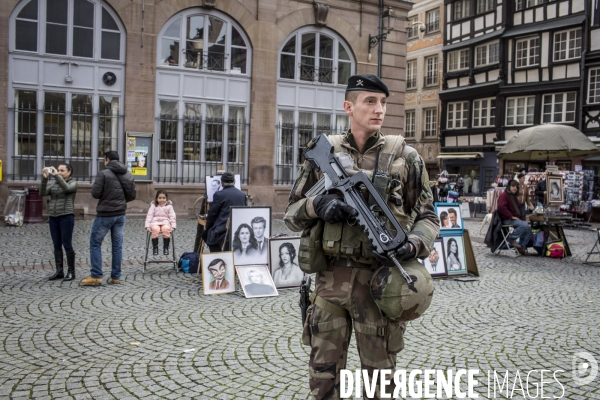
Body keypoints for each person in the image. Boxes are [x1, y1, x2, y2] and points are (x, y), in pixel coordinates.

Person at [284, 74, 439, 398]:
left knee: (380, 383)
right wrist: (317, 205)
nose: (379, 109)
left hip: (381, 285)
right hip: (330, 283)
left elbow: (428, 216)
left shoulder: (405, 158)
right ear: (348, 106)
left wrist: (413, 244)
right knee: (322, 379)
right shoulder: (323, 155)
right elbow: (291, 215)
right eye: (370, 101)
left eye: (383, 102)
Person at [81, 151, 136, 286]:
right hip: (120, 214)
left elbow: (95, 193)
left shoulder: (103, 174)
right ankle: (116, 277)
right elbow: (132, 195)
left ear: (107, 160)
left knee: (95, 243)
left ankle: (96, 275)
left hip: (105, 214)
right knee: (117, 246)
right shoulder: (128, 174)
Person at [40, 164, 78, 281]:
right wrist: (45, 178)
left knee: (67, 244)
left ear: (69, 172)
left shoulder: (73, 183)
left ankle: (71, 271)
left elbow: (66, 189)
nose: (60, 172)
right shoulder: (55, 184)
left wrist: (56, 175)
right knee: (56, 244)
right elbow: (42, 193)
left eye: (62, 170)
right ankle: (59, 271)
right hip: (54, 217)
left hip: (66, 216)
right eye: (59, 170)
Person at [202, 172, 247, 252]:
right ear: (234, 181)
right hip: (237, 228)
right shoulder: (242, 195)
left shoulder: (219, 194)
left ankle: (217, 258)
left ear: (222, 183)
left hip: (222, 230)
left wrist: (207, 228)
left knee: (208, 237)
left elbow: (212, 214)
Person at [497, 180, 534, 256]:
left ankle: (521, 247)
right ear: (509, 187)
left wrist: (520, 218)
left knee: (528, 228)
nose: (515, 188)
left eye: (516, 187)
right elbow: (501, 207)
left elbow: (517, 209)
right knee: (524, 225)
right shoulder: (504, 195)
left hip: (512, 218)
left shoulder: (513, 196)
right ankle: (511, 238)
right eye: (513, 186)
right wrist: (510, 216)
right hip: (506, 219)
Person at [145, 190, 176, 255]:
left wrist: (173, 226)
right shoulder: (153, 206)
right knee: (155, 230)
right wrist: (147, 226)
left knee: (166, 229)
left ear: (166, 199)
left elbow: (172, 216)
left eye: (163, 198)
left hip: (165, 222)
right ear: (156, 198)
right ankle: (155, 248)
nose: (162, 200)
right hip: (155, 222)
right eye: (160, 198)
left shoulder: (169, 206)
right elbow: (149, 215)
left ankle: (166, 248)